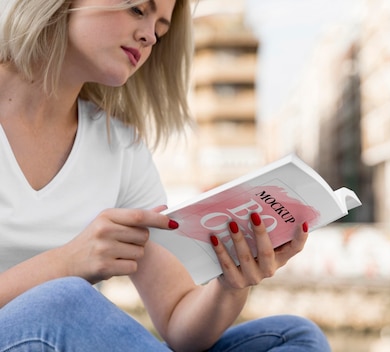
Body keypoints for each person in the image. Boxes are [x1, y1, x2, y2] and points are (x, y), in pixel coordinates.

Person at [0, 0, 331, 351]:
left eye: (160, 29)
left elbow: (178, 321)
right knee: (64, 302)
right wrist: (66, 262)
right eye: (137, 10)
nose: (149, 37)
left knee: (294, 337)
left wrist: (231, 283)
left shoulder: (121, 147)